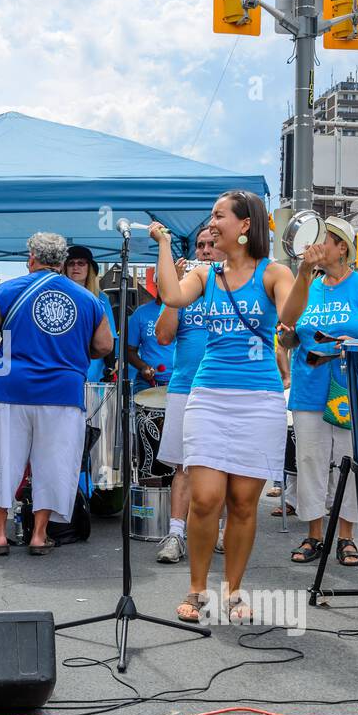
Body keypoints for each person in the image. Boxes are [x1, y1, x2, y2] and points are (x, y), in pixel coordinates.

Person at [152, 190, 296, 622]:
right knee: (206, 498)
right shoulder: (205, 274)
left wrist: (305, 270)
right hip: (209, 397)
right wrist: (162, 244)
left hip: (259, 400)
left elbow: (291, 315)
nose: (211, 224)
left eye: (219, 216)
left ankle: (232, 592)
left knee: (243, 503)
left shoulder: (273, 272)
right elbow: (173, 296)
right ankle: (197, 590)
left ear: (245, 225)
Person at [0, 232, 111, 555]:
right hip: (63, 393)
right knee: (54, 462)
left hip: (12, 389)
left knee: (2, 459)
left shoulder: (6, 291)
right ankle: (39, 535)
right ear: (62, 263)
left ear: (31, 258)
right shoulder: (88, 299)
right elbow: (105, 345)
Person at [277, 216, 358, 566]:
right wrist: (287, 334)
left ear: (341, 246)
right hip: (309, 384)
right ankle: (314, 534)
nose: (314, 246)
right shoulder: (307, 284)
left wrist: (356, 342)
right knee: (310, 461)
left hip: (350, 388)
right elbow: (288, 331)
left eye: (322, 239)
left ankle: (346, 536)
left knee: (347, 461)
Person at [154, 227, 221, 564]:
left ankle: (216, 528)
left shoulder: (238, 285)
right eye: (200, 245)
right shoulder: (186, 287)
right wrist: (175, 289)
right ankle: (176, 534)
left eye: (212, 244)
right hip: (185, 386)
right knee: (183, 465)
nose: (206, 250)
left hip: (225, 388)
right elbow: (163, 337)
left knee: (220, 463)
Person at [65, 245, 117, 384]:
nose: (75, 267)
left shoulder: (101, 299)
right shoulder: (57, 296)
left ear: (89, 268)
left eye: (81, 263)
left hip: (93, 373)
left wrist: (111, 366)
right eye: (71, 263)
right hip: (63, 370)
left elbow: (110, 337)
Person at [127, 290, 175, 394]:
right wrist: (143, 367)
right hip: (147, 381)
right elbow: (129, 351)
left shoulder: (185, 310)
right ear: (157, 283)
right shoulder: (141, 313)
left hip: (180, 379)